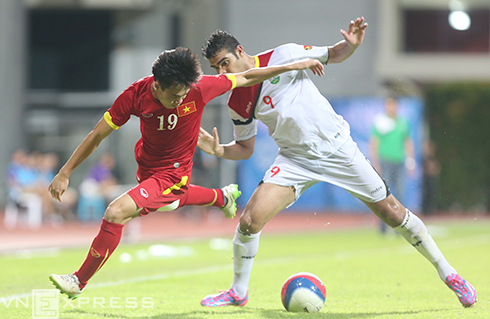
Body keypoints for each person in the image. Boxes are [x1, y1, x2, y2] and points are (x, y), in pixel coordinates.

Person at [198, 17, 476, 308]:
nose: (221, 71)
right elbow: (244, 149)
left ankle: (450, 274)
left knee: (394, 213)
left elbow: (335, 53)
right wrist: (219, 151)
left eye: (224, 63)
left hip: (338, 150)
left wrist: (351, 45)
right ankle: (238, 292)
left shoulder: (284, 54)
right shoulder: (235, 100)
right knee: (249, 220)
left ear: (240, 51)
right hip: (295, 159)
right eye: (216, 68)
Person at [47, 47, 324, 300]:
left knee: (116, 212)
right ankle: (222, 197)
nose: (180, 102)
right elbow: (97, 135)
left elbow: (249, 77)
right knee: (170, 201)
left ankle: (77, 281)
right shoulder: (135, 95)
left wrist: (294, 66)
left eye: (183, 96)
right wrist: (65, 171)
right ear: (157, 85)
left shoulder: (200, 88)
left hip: (174, 171)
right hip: (148, 164)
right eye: (174, 97)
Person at [369, 97, 416, 233]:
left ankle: (399, 228)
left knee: (400, 194)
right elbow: (374, 142)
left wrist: (410, 161)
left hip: (399, 161)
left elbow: (407, 142)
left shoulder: (402, 122)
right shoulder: (380, 122)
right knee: (384, 195)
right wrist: (375, 162)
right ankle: (383, 228)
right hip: (385, 161)